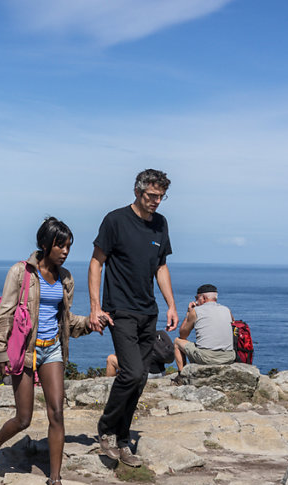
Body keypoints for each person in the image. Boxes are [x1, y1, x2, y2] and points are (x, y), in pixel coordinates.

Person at [0, 217, 93, 485]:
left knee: (57, 413)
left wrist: (90, 323)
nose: (65, 251)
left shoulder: (66, 277)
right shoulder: (21, 272)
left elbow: (64, 320)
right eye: (60, 245)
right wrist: (0, 352)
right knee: (24, 418)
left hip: (51, 349)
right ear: (45, 244)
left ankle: (55, 479)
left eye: (68, 246)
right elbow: (5, 312)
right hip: (25, 351)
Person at [89, 169, 178, 467]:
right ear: (138, 191)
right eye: (152, 195)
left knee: (140, 379)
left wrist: (171, 305)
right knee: (130, 373)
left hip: (148, 311)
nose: (157, 202)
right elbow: (96, 263)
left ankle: (123, 439)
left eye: (161, 197)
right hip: (119, 310)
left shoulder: (160, 224)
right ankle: (106, 429)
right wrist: (94, 308)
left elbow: (161, 267)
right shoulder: (115, 220)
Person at [173, 284, 235, 374]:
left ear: (204, 298)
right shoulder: (226, 310)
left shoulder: (196, 311)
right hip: (229, 356)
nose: (196, 301)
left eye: (197, 298)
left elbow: (183, 334)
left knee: (177, 341)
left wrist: (188, 314)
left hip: (207, 358)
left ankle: (182, 375)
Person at [106, 330, 175, 379]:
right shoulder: (157, 335)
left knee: (111, 359)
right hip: (161, 373)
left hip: (145, 375)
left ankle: (110, 384)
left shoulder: (135, 336)